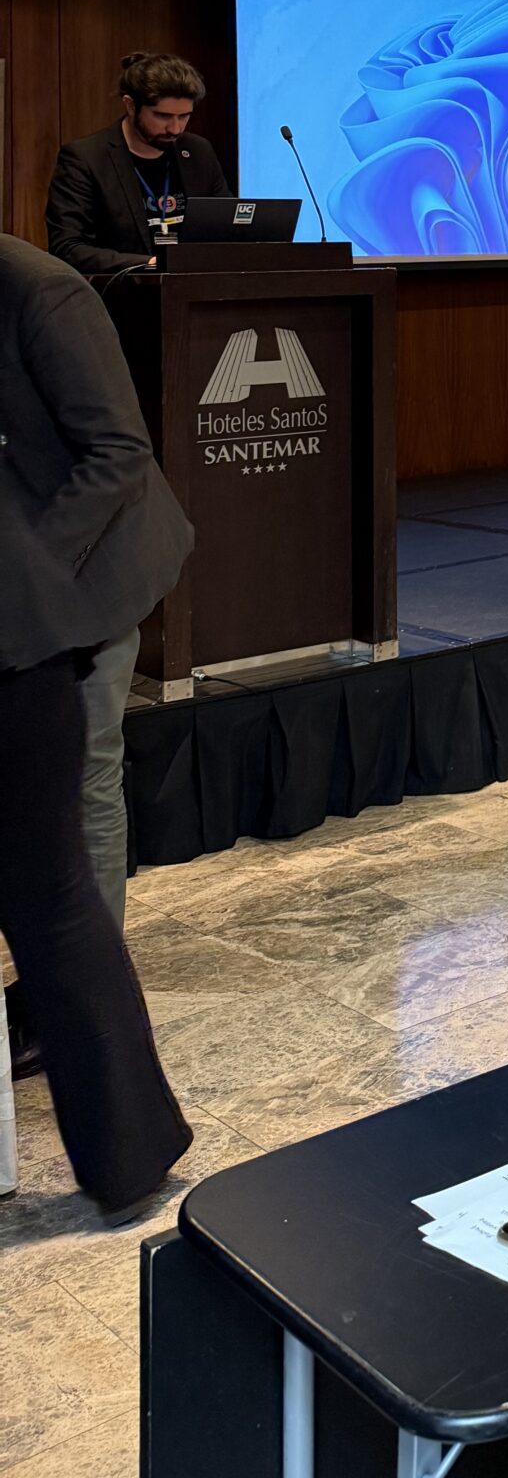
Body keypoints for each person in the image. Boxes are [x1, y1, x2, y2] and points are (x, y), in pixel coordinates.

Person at [0, 233, 194, 1217]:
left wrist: (22, 574)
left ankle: (63, 1007)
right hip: (23, 584)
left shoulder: (41, 292)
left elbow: (119, 453)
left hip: (83, 574)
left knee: (78, 801)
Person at [46, 50, 230, 276]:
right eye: (162, 116)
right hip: (123, 292)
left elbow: (225, 227)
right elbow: (68, 248)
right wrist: (150, 263)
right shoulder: (86, 159)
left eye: (184, 116)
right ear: (130, 106)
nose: (175, 129)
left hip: (192, 290)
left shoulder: (197, 151)